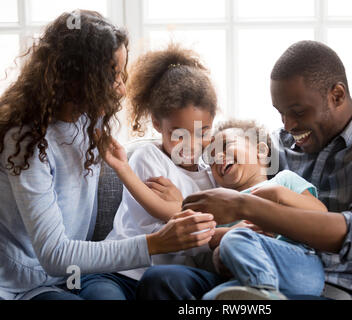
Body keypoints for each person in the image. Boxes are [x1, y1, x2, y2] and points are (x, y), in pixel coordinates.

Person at [144, 40, 352, 300]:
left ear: (337, 95)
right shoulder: (275, 145)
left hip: (331, 289)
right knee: (163, 279)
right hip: (253, 271)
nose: (288, 125)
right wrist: (178, 204)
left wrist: (245, 206)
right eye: (280, 113)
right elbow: (219, 162)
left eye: (298, 112)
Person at [0, 11, 214, 300]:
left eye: (121, 75)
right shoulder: (24, 141)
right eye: (111, 76)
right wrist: (154, 243)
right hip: (23, 285)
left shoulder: (89, 120)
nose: (122, 89)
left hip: (72, 277)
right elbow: (54, 255)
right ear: (76, 78)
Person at [87, 44, 257, 300]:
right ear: (157, 123)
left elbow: (212, 231)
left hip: (168, 282)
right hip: (120, 272)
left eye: (203, 132)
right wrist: (179, 207)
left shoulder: (212, 175)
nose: (191, 145)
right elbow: (160, 210)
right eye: (179, 135)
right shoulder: (148, 156)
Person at [198, 119, 328, 299]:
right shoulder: (223, 203)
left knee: (234, 239)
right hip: (247, 279)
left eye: (226, 146)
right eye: (211, 159)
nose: (218, 157)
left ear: (260, 151)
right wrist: (230, 233)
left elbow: (322, 215)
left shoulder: (283, 181)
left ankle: (264, 291)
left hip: (299, 269)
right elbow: (209, 238)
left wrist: (279, 194)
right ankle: (263, 292)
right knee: (210, 298)